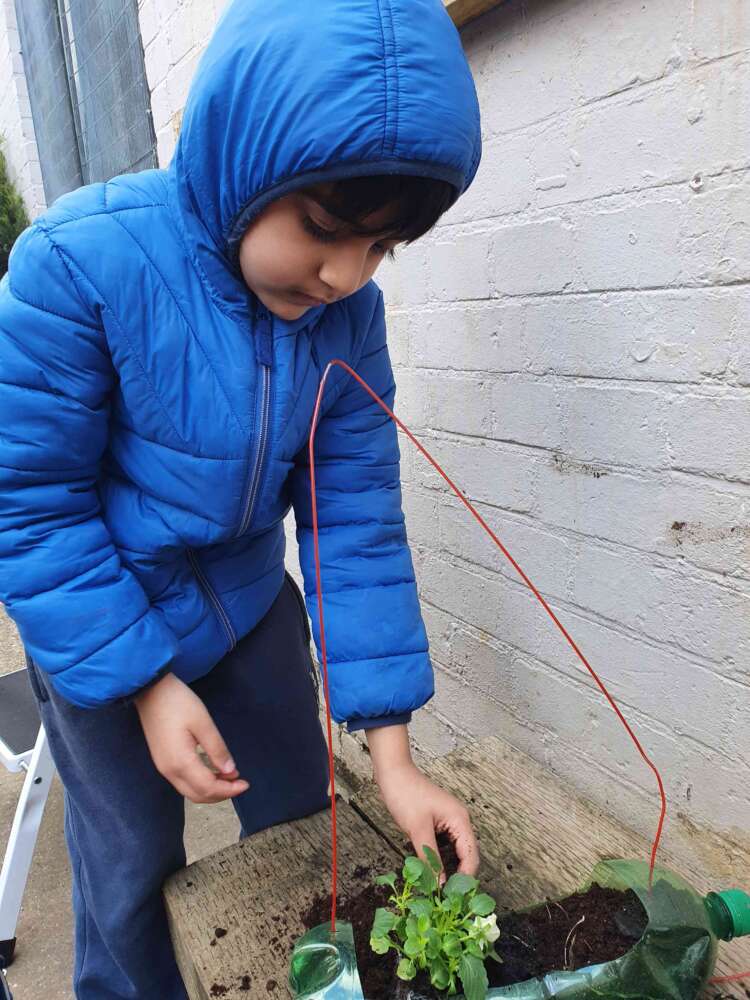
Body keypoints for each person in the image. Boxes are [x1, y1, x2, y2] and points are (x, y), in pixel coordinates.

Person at [0, 0, 482, 996]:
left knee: (311, 830)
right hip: (106, 610)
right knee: (130, 868)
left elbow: (355, 519)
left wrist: (391, 756)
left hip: (250, 603)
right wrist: (143, 682)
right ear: (239, 156)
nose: (346, 273)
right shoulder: (81, 266)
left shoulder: (348, 318)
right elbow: (27, 500)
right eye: (324, 227)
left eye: (382, 247)